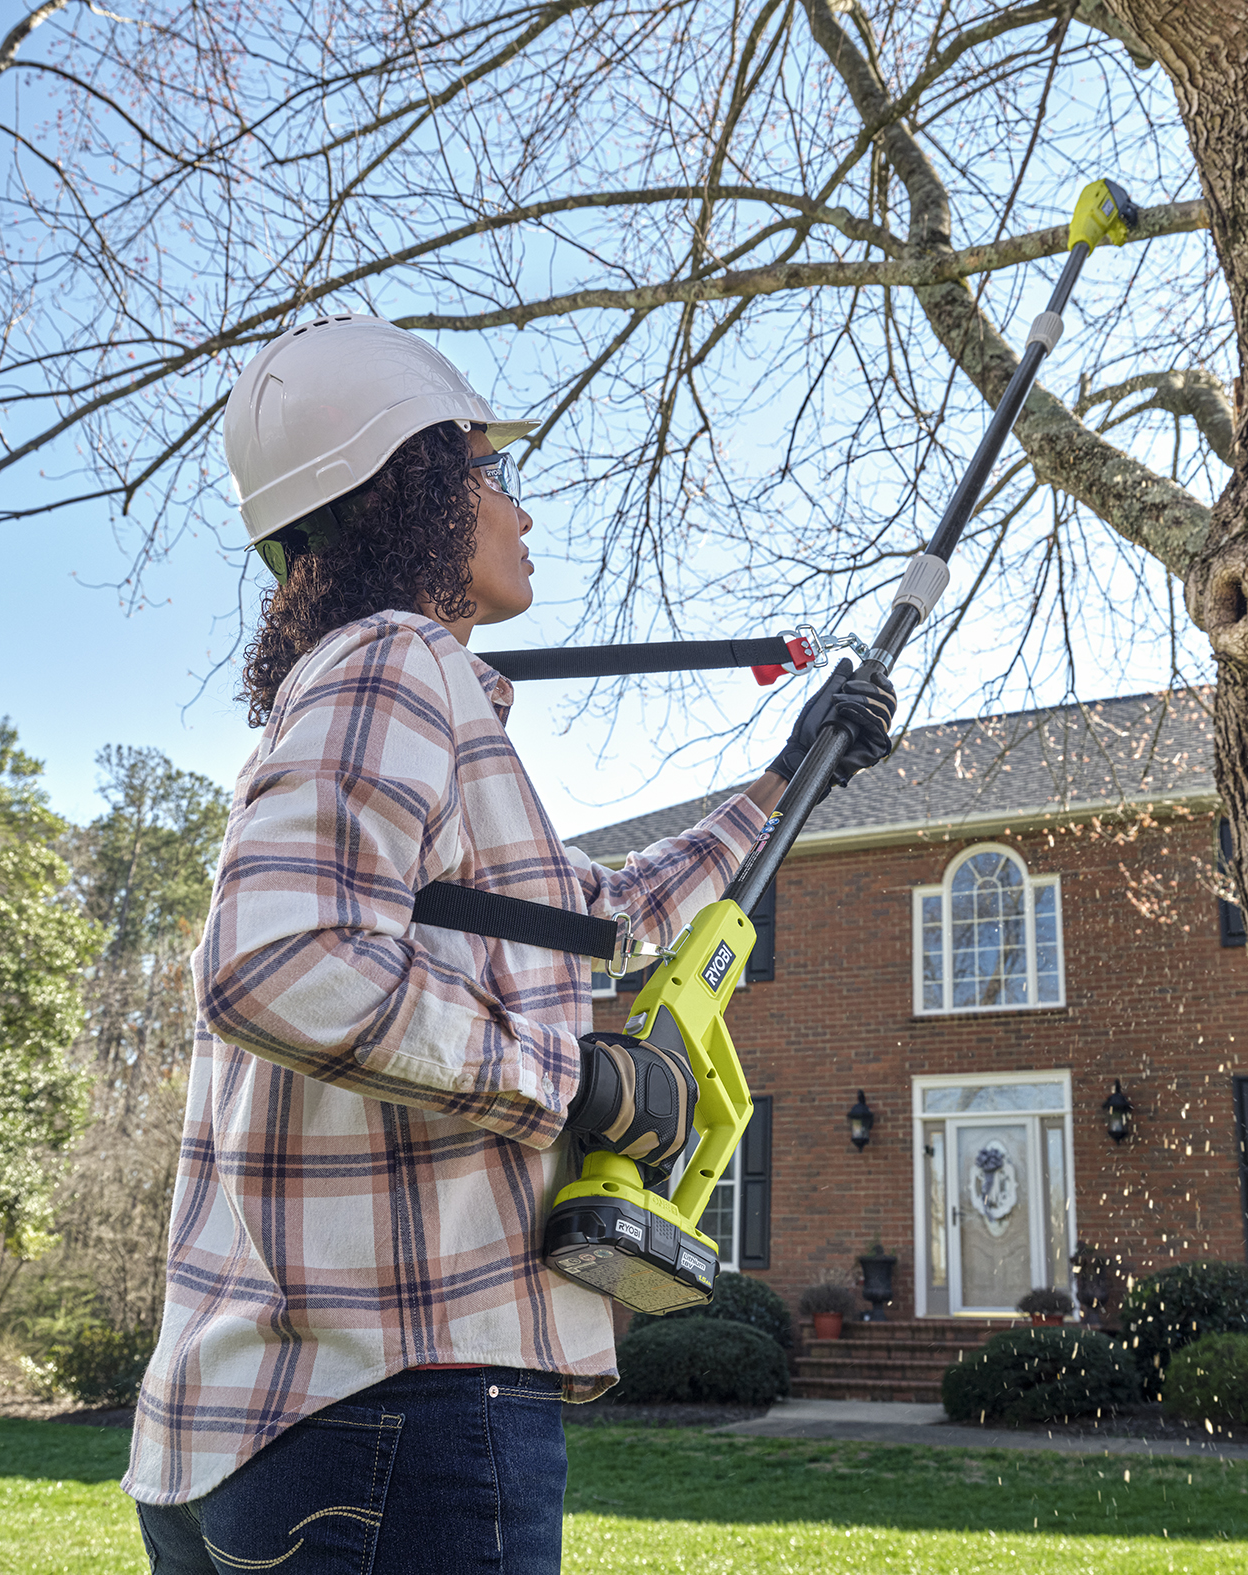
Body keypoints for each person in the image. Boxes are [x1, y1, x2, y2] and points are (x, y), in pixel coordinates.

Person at [122, 314, 895, 1573]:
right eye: (496, 474)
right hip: (398, 1419)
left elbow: (607, 923)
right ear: (418, 488)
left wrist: (789, 780)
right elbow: (271, 965)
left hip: (252, 1432)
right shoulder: (395, 665)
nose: (520, 513)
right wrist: (569, 1083)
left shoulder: (356, 697)